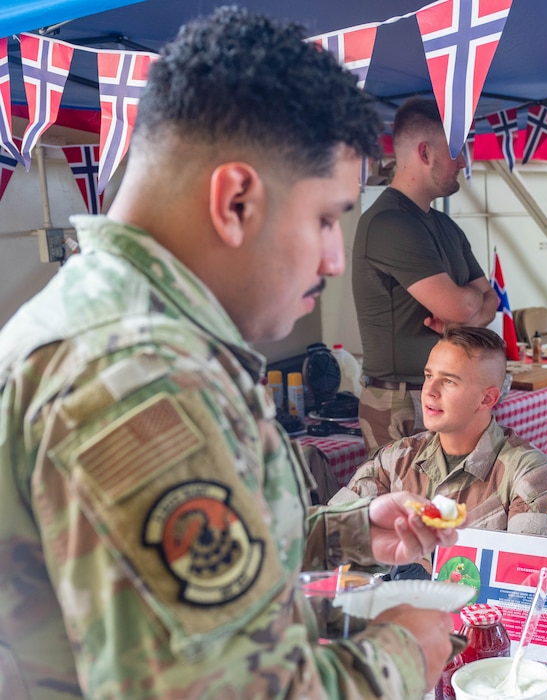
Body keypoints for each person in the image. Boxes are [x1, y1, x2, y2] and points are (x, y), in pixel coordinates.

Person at [0, 9, 462, 699]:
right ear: (236, 200)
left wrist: (344, 533)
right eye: (325, 219)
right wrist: (401, 652)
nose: (335, 257)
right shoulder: (136, 378)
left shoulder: (114, 329)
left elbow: (176, 592)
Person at [330, 327, 547, 577]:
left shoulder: (529, 475)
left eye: (449, 381)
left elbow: (522, 581)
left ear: (487, 399)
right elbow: (333, 537)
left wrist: (424, 572)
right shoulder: (395, 459)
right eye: (428, 375)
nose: (429, 391)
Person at [352, 97, 499, 456]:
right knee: (409, 508)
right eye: (457, 152)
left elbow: (489, 301)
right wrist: (467, 311)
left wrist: (466, 312)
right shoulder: (390, 223)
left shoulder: (445, 226)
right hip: (401, 403)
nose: (464, 162)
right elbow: (464, 308)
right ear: (425, 152)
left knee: (452, 506)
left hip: (438, 394)